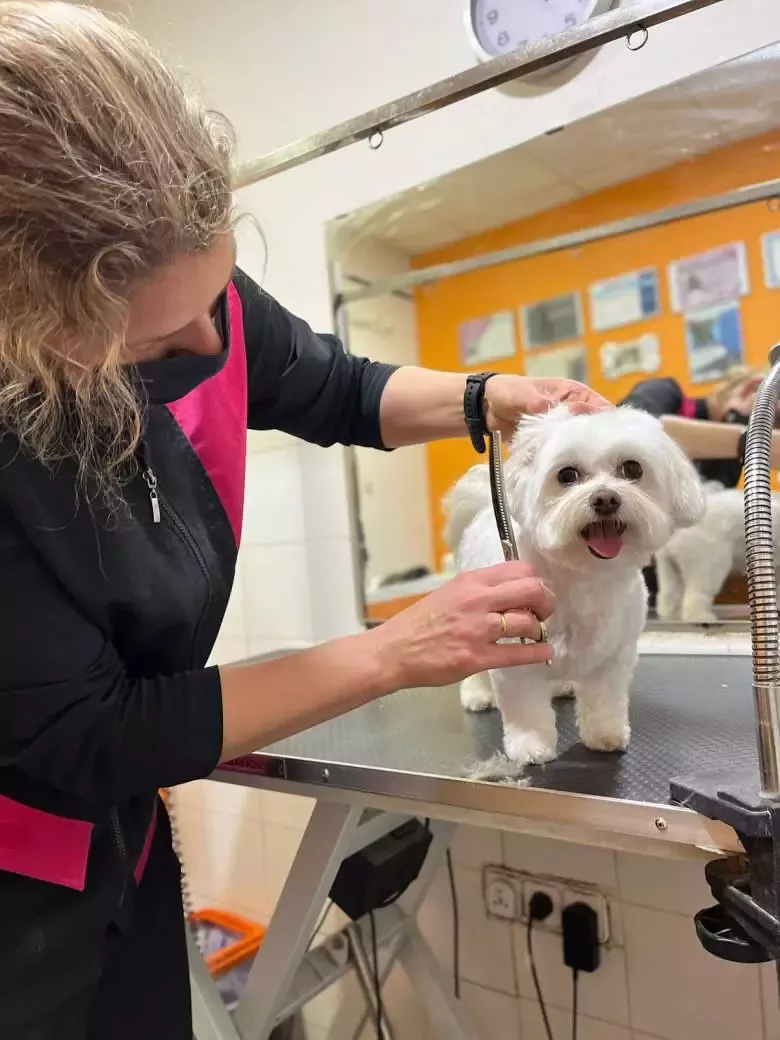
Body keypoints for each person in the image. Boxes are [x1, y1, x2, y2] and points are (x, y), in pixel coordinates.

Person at [0, 4, 608, 1038]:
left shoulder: (198, 297)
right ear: (34, 326)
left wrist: (486, 396)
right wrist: (395, 649)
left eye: (216, 289)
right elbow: (88, 730)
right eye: (161, 336)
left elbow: (331, 385)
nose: (211, 333)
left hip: (125, 832)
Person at [620, 367, 771, 607]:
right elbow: (628, 428)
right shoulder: (665, 393)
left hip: (656, 581)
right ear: (750, 390)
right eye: (776, 422)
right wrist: (754, 440)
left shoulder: (728, 463)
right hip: (614, 564)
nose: (773, 431)